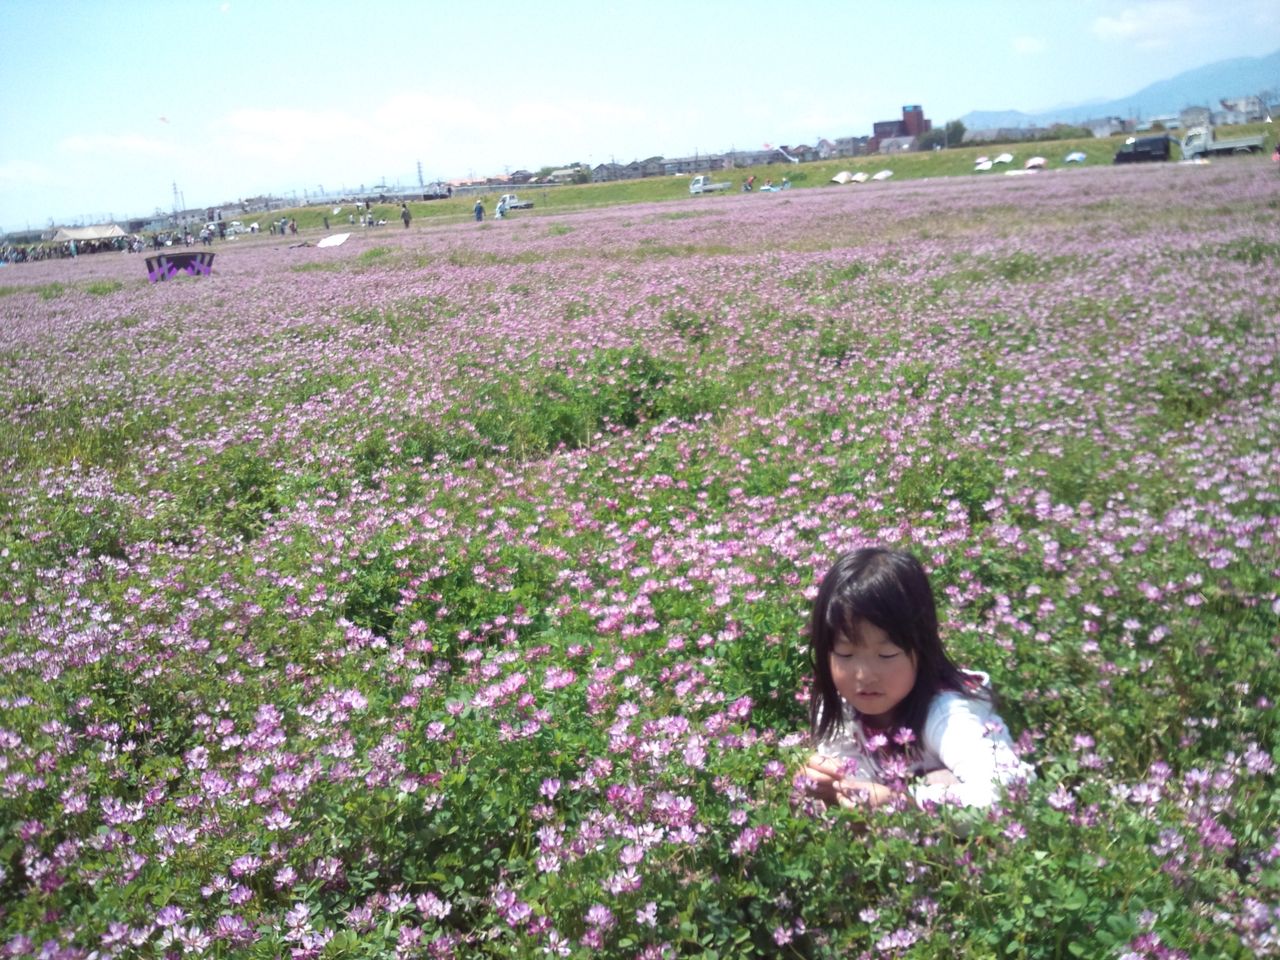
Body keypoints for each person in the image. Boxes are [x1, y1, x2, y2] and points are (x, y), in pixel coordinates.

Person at [802, 547, 1033, 811]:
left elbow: (1012, 791)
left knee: (941, 780)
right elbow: (855, 777)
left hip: (957, 828)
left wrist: (905, 802)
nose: (864, 675)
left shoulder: (947, 714)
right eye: (845, 653)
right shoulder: (837, 704)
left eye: (886, 654)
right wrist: (836, 782)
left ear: (922, 649)